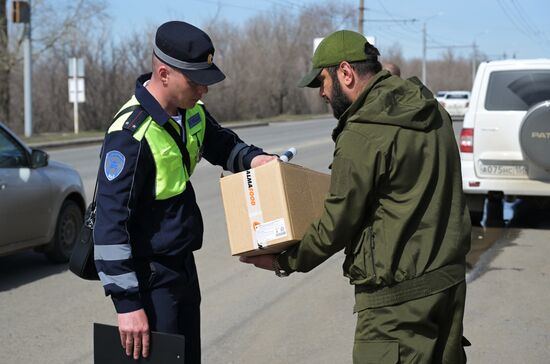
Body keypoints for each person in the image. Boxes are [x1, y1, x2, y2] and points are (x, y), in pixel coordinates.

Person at [241, 30, 471, 363]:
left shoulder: (362, 131)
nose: (321, 92)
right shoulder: (432, 111)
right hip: (447, 286)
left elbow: (337, 223)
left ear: (346, 73)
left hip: (395, 304)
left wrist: (282, 261)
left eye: (322, 81)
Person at [93, 21, 276, 363]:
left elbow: (222, 145)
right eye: (196, 82)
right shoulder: (130, 135)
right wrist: (128, 305)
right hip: (150, 279)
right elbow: (109, 224)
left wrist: (255, 159)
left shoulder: (191, 113)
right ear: (164, 74)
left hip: (182, 268)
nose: (203, 91)